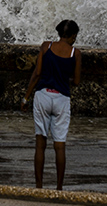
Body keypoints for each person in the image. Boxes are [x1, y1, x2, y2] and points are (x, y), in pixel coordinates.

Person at [22, 19, 82, 190]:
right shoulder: (75, 53)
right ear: (73, 35)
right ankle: (59, 188)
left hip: (42, 95)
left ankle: (39, 186)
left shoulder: (46, 47)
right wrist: (65, 79)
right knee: (59, 145)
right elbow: (76, 81)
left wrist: (26, 98)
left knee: (40, 143)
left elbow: (37, 73)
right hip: (62, 98)